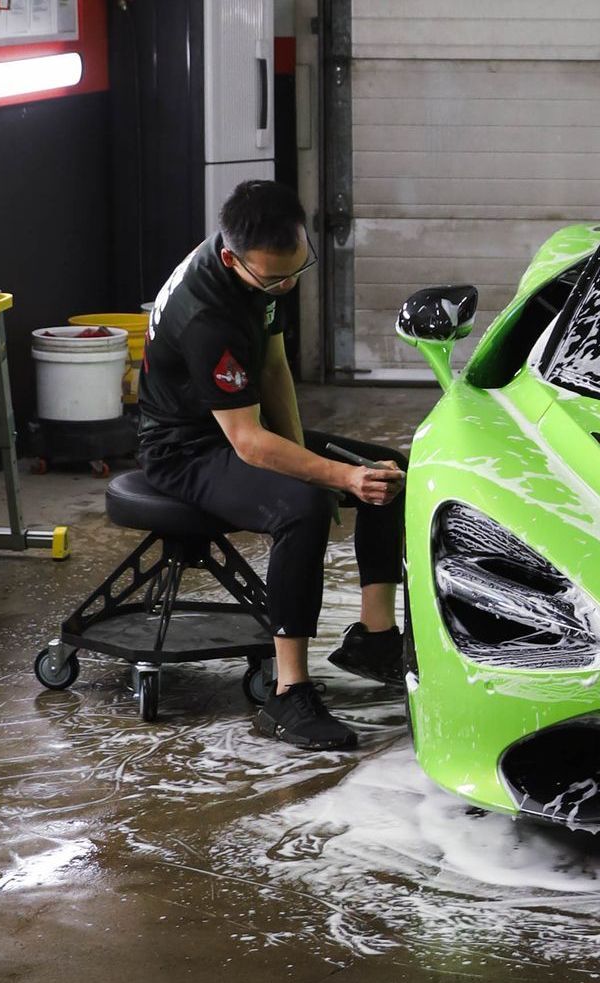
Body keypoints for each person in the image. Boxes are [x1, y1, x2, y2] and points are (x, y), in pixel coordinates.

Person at [136, 179, 407, 751]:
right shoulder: (207, 317)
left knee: (385, 470)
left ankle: (374, 640)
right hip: (185, 449)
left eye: (295, 270)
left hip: (234, 425)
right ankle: (287, 695)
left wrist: (314, 454)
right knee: (302, 507)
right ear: (233, 258)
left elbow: (276, 366)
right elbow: (248, 444)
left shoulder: (259, 267)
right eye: (272, 278)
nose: (285, 285)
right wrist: (332, 477)